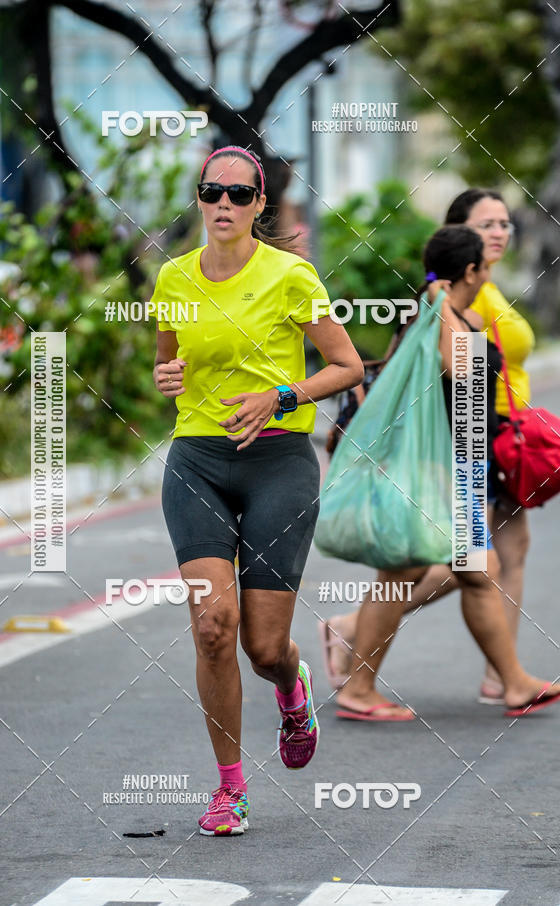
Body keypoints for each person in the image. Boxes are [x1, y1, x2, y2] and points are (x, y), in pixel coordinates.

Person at [151, 145, 364, 834]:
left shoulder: (292, 276)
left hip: (278, 461)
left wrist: (282, 394)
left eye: (239, 194)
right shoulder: (173, 278)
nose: (224, 204)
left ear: (259, 204)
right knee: (213, 626)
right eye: (212, 191)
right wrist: (166, 379)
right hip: (198, 460)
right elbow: (168, 363)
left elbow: (347, 366)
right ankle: (230, 789)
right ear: (200, 197)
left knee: (264, 648)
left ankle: (292, 687)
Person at [324, 226, 560, 721]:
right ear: (470, 271)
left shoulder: (447, 314)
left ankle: (513, 682)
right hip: (435, 473)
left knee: (476, 573)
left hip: (460, 470)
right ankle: (359, 687)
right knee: (410, 572)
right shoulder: (434, 317)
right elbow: (463, 370)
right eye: (484, 267)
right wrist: (443, 304)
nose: (487, 275)